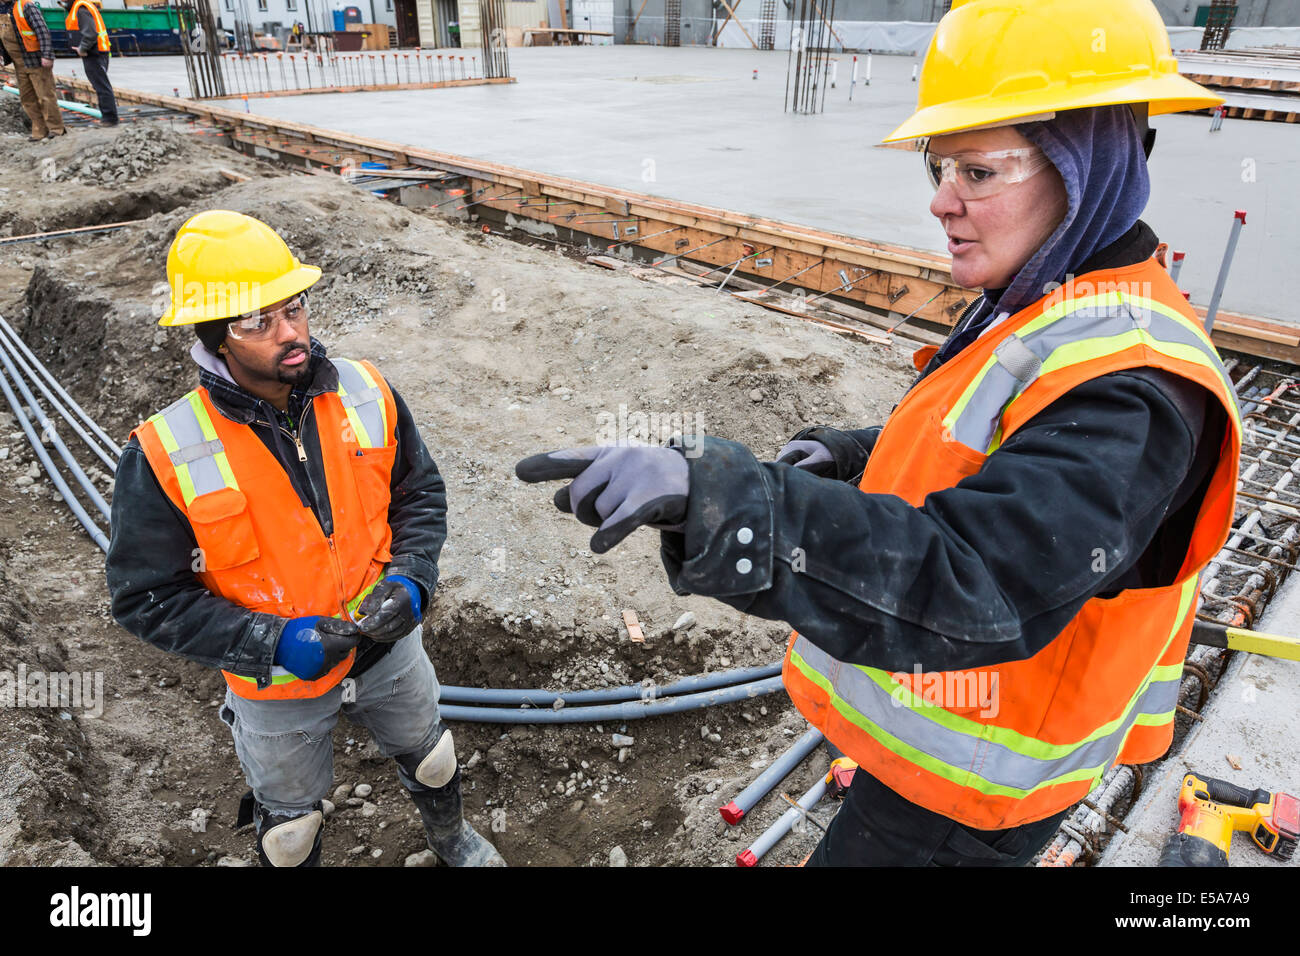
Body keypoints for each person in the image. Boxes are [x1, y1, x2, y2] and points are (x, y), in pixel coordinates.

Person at [515, 0, 1243, 866]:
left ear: (1088, 165)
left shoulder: (1137, 390)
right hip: (935, 760)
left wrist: (722, 500)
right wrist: (854, 455)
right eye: (940, 168)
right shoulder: (1061, 296)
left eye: (978, 172)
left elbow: (981, 580)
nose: (942, 202)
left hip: (966, 802)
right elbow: (997, 445)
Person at [106, 210, 504, 868]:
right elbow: (146, 598)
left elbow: (419, 493)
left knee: (431, 755)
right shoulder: (165, 452)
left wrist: (411, 579)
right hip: (276, 679)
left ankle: (451, 840)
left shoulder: (365, 392)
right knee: (289, 834)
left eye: (293, 309)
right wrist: (272, 641)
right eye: (256, 321)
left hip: (387, 645)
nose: (288, 334)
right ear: (213, 335)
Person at [0, 0, 66, 140]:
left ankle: (56, 129)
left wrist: (47, 55)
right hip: (19, 63)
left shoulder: (26, 6)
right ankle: (39, 131)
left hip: (35, 60)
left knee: (45, 95)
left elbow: (42, 31)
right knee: (27, 99)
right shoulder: (1, 9)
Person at [59, 0, 116, 127]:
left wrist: (82, 48)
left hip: (94, 53)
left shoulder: (81, 9)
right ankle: (108, 117)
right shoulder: (80, 7)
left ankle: (110, 119)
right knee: (100, 85)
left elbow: (90, 34)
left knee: (101, 86)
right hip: (94, 52)